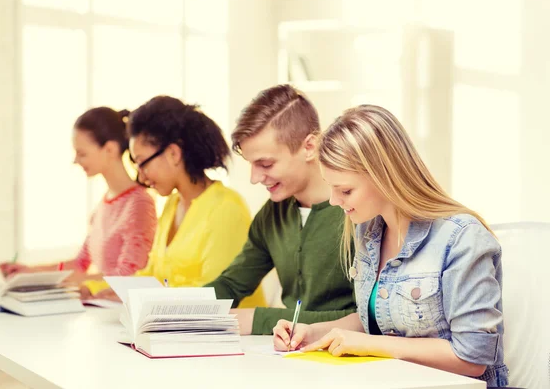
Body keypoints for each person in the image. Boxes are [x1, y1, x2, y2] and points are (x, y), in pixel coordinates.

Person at [273, 105, 508, 387]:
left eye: (345, 190)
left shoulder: (461, 238)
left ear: (385, 175)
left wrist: (373, 345)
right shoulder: (368, 231)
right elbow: (378, 319)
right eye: (330, 187)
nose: (334, 201)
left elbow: (472, 357)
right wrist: (311, 333)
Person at [204, 84, 357, 335]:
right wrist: (178, 310)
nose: (255, 177)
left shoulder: (358, 212)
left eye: (265, 164)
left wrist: (258, 319)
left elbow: (366, 319)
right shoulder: (273, 213)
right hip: (288, 355)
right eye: (252, 164)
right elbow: (232, 284)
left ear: (309, 147)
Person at [86, 96, 265, 308]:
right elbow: (153, 276)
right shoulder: (172, 205)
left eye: (142, 163)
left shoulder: (226, 208)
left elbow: (217, 294)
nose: (141, 177)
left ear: (173, 154)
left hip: (229, 334)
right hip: (178, 329)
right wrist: (99, 289)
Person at [0, 107, 157, 284]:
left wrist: (71, 283)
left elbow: (129, 275)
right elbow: (80, 264)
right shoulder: (104, 204)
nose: (76, 161)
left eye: (82, 154)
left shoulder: (139, 204)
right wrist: (29, 272)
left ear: (110, 149)